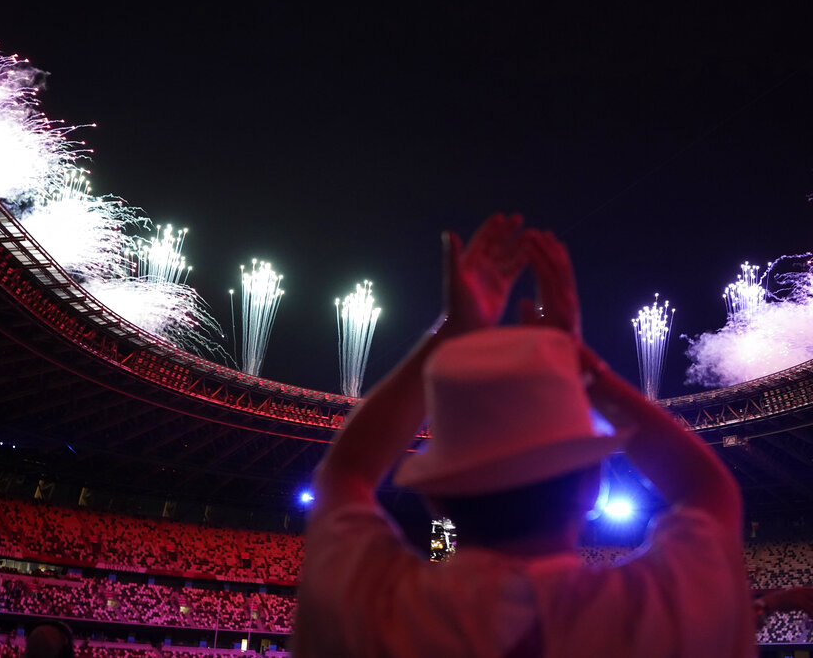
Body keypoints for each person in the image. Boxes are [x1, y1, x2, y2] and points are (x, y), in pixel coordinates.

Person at [294, 214, 756, 657]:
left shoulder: (377, 615)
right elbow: (709, 491)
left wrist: (452, 333)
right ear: (592, 485)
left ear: (437, 498)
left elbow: (345, 473)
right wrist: (577, 360)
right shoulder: (660, 613)